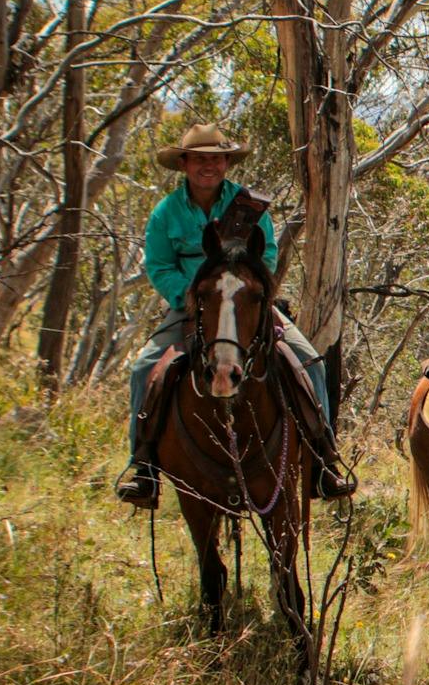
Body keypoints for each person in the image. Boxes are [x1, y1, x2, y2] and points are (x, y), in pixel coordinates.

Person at [117, 123, 350, 504]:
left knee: (309, 361)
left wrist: (251, 288)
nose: (207, 166)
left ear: (226, 162)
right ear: (185, 163)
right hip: (191, 305)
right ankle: (142, 466)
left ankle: (324, 458)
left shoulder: (249, 206)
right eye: (198, 160)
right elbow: (158, 266)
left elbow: (269, 253)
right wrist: (190, 297)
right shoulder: (166, 213)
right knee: (144, 368)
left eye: (215, 159)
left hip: (246, 303)